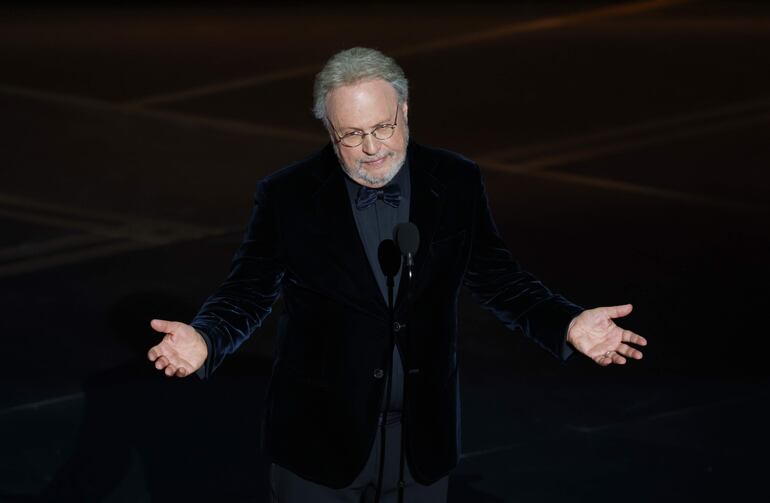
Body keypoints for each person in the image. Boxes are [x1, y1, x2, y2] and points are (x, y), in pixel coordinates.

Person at [147, 47, 647, 502]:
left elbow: (500, 279)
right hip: (320, 447)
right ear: (330, 132)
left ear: (405, 112)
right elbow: (248, 290)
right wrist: (208, 338)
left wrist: (566, 323)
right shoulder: (288, 196)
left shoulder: (455, 181)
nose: (371, 148)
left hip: (420, 447)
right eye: (353, 134)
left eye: (383, 127)